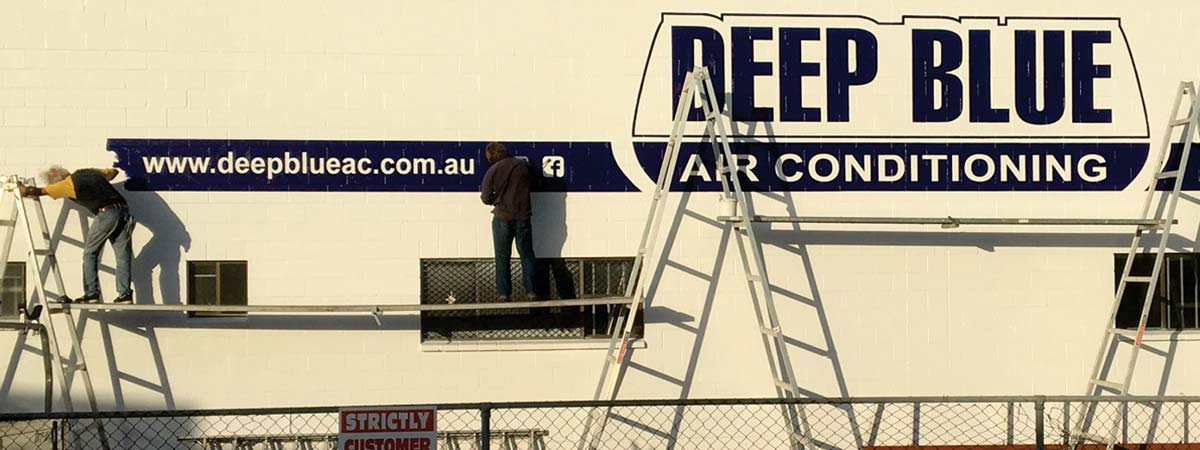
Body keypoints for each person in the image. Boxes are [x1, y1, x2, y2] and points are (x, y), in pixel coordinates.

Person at [22, 166, 135, 304]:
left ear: (56, 178)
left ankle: (91, 294)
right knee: (123, 256)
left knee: (90, 253)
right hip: (124, 211)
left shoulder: (66, 184)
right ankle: (125, 295)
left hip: (106, 214)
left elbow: (38, 191)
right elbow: (113, 172)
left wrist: (19, 188)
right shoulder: (90, 173)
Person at [480, 142, 540, 301]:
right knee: (527, 254)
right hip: (522, 216)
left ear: (491, 155)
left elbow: (485, 197)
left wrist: (495, 199)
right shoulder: (524, 166)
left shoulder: (493, 170)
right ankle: (532, 291)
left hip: (502, 217)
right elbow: (537, 183)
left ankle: (504, 293)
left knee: (502, 256)